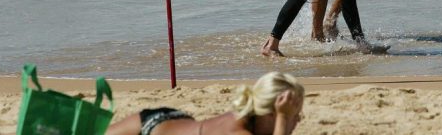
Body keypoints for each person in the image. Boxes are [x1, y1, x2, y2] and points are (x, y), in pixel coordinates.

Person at [106, 71, 304, 135]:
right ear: (271, 114)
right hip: (151, 127)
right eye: (295, 115)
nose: (298, 121)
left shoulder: (250, 120)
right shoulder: (238, 132)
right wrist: (284, 117)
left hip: (176, 120)